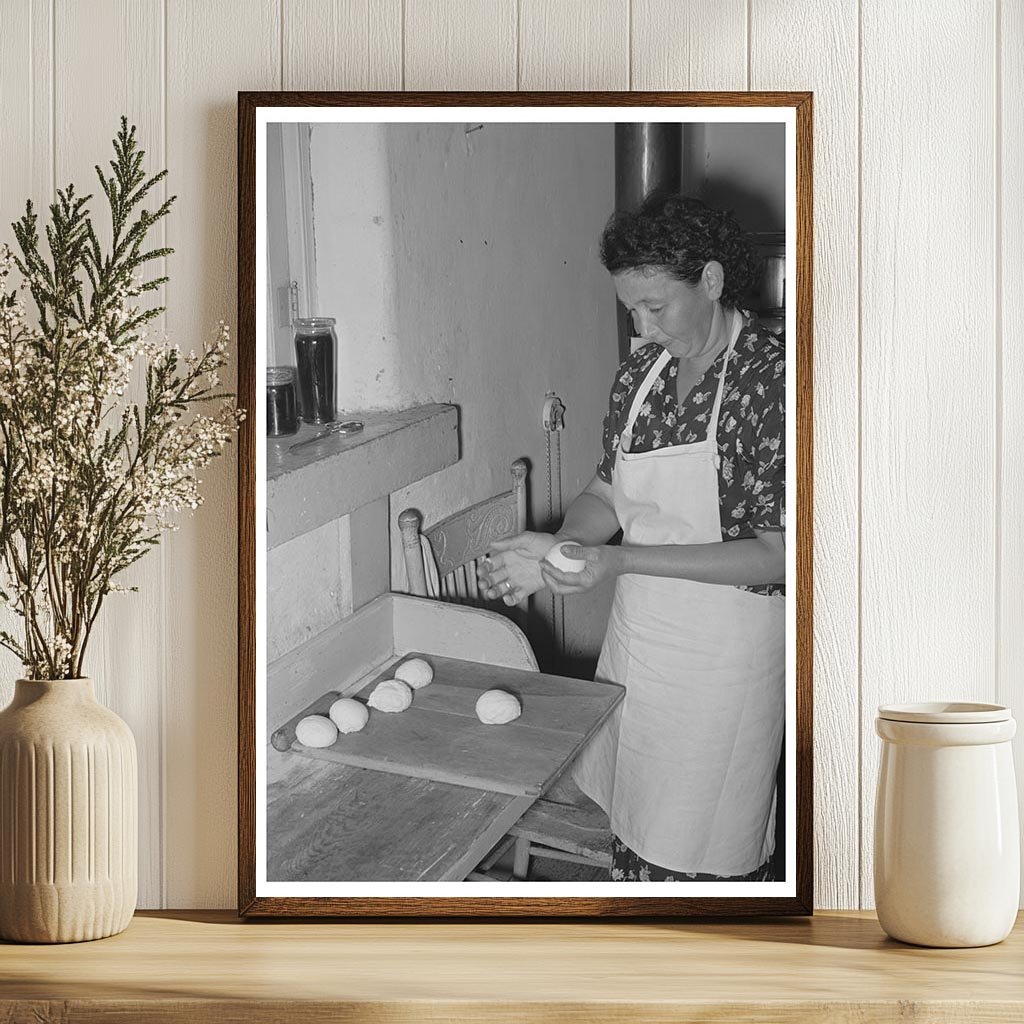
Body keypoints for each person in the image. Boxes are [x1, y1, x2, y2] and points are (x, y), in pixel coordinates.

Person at [478, 193, 786, 882]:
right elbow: (607, 493)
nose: (642, 326)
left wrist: (613, 558)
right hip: (642, 640)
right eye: (631, 310)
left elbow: (779, 553)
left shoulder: (771, 383)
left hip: (724, 660)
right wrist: (561, 547)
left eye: (656, 306)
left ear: (710, 280)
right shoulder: (640, 377)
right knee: (635, 827)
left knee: (701, 846)